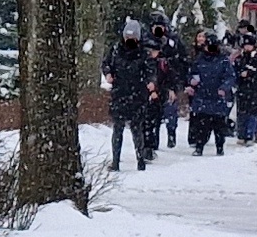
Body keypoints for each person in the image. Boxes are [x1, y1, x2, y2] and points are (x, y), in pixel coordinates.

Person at [101, 19, 157, 171]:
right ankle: (115, 162)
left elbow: (151, 70)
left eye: (132, 37)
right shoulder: (115, 50)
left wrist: (151, 82)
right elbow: (106, 64)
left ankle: (140, 160)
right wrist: (108, 73)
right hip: (119, 94)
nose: (129, 40)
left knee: (137, 129)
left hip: (137, 95)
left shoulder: (144, 53)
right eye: (127, 37)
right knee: (117, 129)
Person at [187, 29, 237, 156]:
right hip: (202, 97)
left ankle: (220, 147)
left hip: (218, 98)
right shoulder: (200, 60)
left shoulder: (223, 61)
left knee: (219, 126)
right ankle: (199, 147)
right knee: (201, 126)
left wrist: (224, 88)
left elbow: (230, 77)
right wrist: (191, 82)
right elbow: (191, 73)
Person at [148, 15, 188, 149]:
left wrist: (176, 85)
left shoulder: (173, 42)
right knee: (153, 114)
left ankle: (171, 134)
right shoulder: (147, 41)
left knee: (170, 111)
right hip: (153, 81)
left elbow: (180, 63)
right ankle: (153, 142)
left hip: (169, 81)